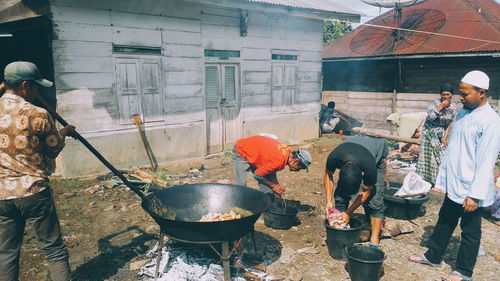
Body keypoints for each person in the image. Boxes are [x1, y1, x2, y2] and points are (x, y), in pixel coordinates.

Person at [409, 71, 500, 281]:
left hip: (471, 188)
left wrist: (474, 195)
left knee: (470, 230)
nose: (461, 97)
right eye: (461, 93)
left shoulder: (490, 121)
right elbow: (453, 150)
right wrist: (443, 180)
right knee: (445, 219)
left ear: (482, 93)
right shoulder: (462, 113)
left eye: (465, 94)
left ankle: (464, 271)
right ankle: (433, 256)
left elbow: (486, 161)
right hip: (455, 182)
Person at [0, 61, 76, 281]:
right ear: (25, 85)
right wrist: (63, 132)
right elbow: (53, 151)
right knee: (53, 249)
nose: (37, 91)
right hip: (34, 191)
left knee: (6, 253)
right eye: (35, 87)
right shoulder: (38, 114)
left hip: (2, 195)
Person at [324, 135, 389, 246]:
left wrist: (349, 212)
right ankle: (340, 225)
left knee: (375, 200)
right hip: (351, 146)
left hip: (376, 147)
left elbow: (367, 191)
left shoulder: (369, 168)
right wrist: (328, 200)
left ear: (362, 175)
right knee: (340, 195)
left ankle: (374, 239)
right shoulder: (334, 157)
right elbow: (328, 175)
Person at [232, 135, 312, 198]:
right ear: (295, 161)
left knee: (268, 188)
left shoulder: (287, 152)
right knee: (241, 184)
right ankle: (236, 206)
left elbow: (271, 171)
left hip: (256, 153)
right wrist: (273, 186)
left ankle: (266, 206)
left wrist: (276, 185)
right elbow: (257, 175)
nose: (297, 171)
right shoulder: (279, 160)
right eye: (299, 168)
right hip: (242, 150)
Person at [415, 83, 456, 186]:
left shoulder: (454, 106)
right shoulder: (434, 103)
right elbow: (430, 118)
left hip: (441, 135)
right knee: (428, 159)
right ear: (440, 95)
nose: (445, 97)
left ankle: (438, 182)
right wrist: (441, 107)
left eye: (448, 94)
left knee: (441, 158)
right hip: (430, 133)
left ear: (452, 94)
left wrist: (445, 137)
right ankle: (425, 181)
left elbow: (449, 123)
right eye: (443, 94)